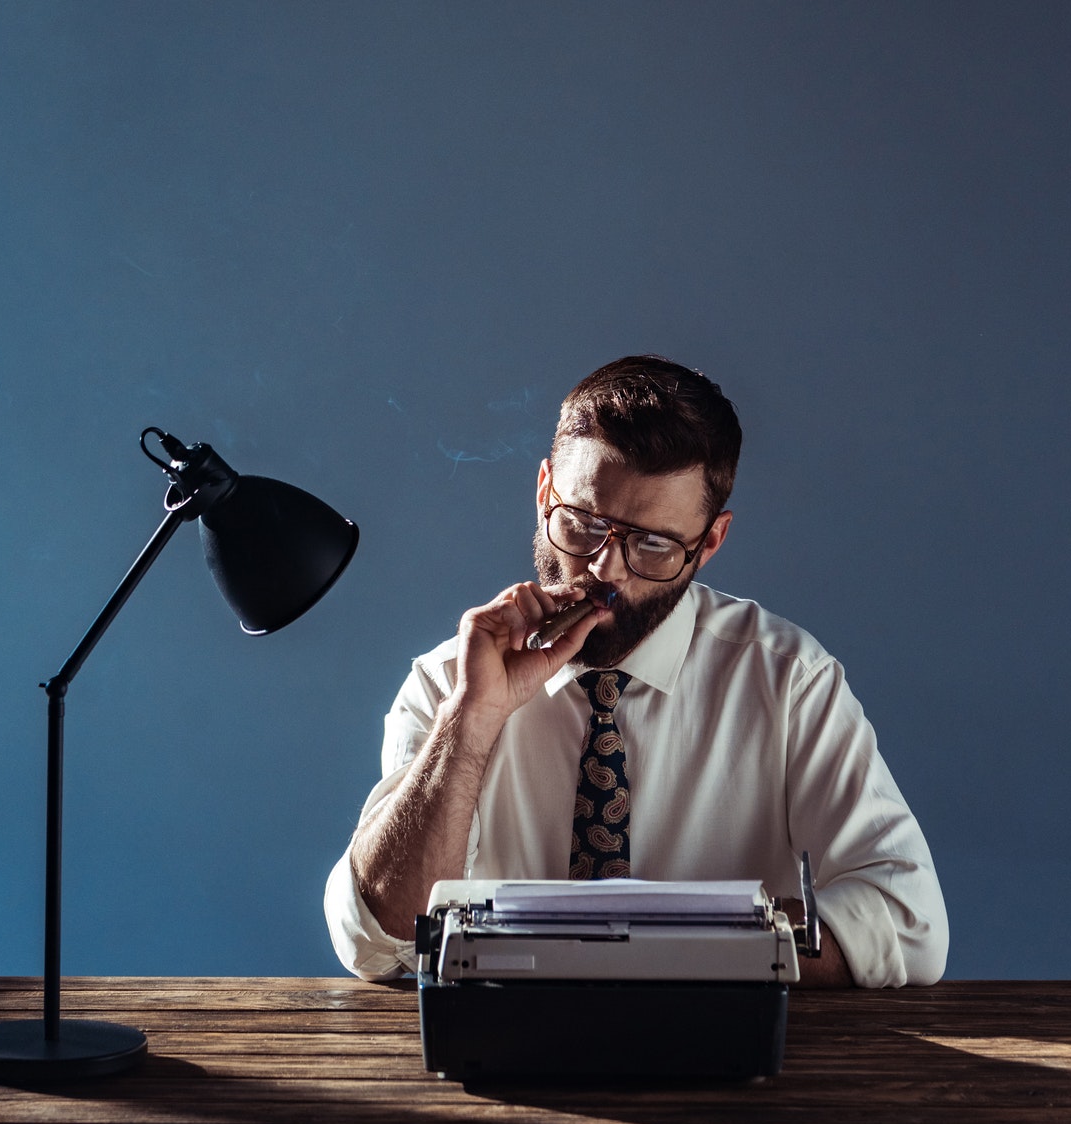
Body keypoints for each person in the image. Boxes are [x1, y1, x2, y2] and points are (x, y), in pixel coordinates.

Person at [325, 355, 948, 987]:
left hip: (723, 1056)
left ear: (709, 543)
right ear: (545, 492)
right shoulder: (449, 683)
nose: (605, 570)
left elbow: (909, 921)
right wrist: (471, 720)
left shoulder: (787, 680)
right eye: (583, 523)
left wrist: (670, 953)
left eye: (652, 543)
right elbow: (374, 944)